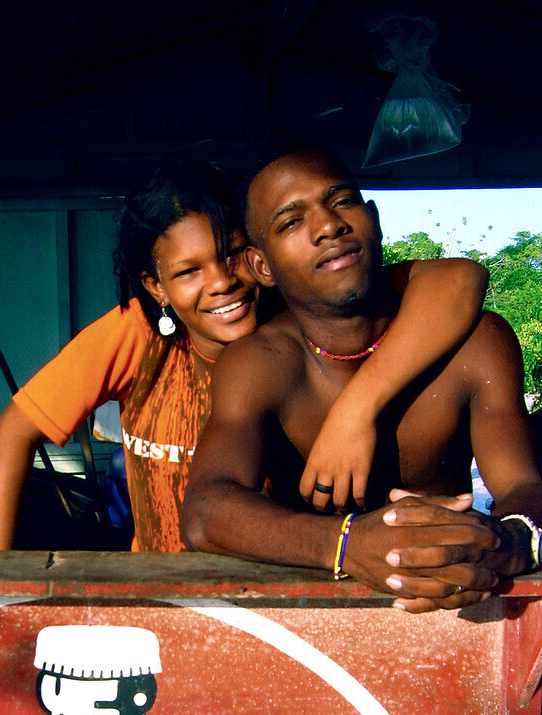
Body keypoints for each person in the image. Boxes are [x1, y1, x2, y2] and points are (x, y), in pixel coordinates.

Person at [0, 159, 488, 552]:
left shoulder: (297, 324)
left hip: (273, 599)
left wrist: (359, 406)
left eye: (231, 254)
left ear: (261, 258)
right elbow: (11, 432)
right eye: (188, 272)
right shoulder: (138, 337)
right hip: (159, 599)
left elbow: (457, 279)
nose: (221, 283)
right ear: (156, 287)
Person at [182, 147, 542, 612]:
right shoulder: (261, 363)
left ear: (373, 219)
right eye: (291, 222)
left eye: (342, 201)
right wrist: (346, 544)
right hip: (313, 623)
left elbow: (523, 486)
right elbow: (206, 511)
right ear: (261, 267)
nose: (328, 225)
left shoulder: (477, 342)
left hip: (460, 602)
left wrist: (498, 541)